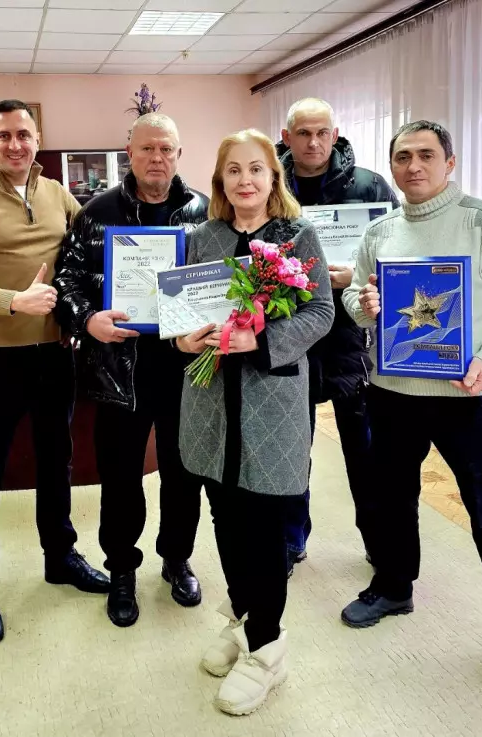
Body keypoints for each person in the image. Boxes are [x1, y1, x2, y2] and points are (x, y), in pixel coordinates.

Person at [341, 121, 482, 699]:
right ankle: (393, 585)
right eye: (402, 157)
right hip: (391, 395)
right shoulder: (381, 232)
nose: (414, 166)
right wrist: (361, 302)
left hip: (468, 397)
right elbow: (356, 303)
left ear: (450, 163)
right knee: (389, 501)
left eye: (426, 156)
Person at [0, 99, 109, 645]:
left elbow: (89, 260)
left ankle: (59, 556)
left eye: (25, 135)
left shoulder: (59, 194)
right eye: (5, 135)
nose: (16, 144)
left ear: (38, 139)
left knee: (57, 459)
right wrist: (17, 301)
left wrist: (75, 312)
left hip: (55, 354)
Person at [177, 129, 334, 715]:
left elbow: (320, 310)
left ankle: (269, 647)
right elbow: (182, 316)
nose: (245, 180)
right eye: (233, 171)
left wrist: (262, 339)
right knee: (225, 518)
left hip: (272, 399)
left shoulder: (299, 236)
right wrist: (182, 339)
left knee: (266, 527)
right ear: (220, 181)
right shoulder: (203, 237)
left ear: (275, 178)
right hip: (211, 400)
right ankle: (245, 621)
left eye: (257, 170)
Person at [53, 113, 208, 628]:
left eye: (166, 149)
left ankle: (176, 558)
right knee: (120, 478)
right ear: (130, 152)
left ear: (179, 154)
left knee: (184, 474)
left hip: (188, 369)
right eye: (147, 150)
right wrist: (86, 319)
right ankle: (122, 570)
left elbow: (220, 284)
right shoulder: (97, 212)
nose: (157, 158)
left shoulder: (203, 212)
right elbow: (67, 280)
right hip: (118, 368)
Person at [278, 97, 399, 571]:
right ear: (286, 138)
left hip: (351, 336)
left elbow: (397, 257)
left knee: (365, 449)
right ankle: (291, 538)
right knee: (290, 446)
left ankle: (378, 539)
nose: (313, 142)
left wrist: (361, 277)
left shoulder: (370, 186)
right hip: (292, 333)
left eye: (321, 132)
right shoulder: (272, 185)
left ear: (335, 133)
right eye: (303, 133)